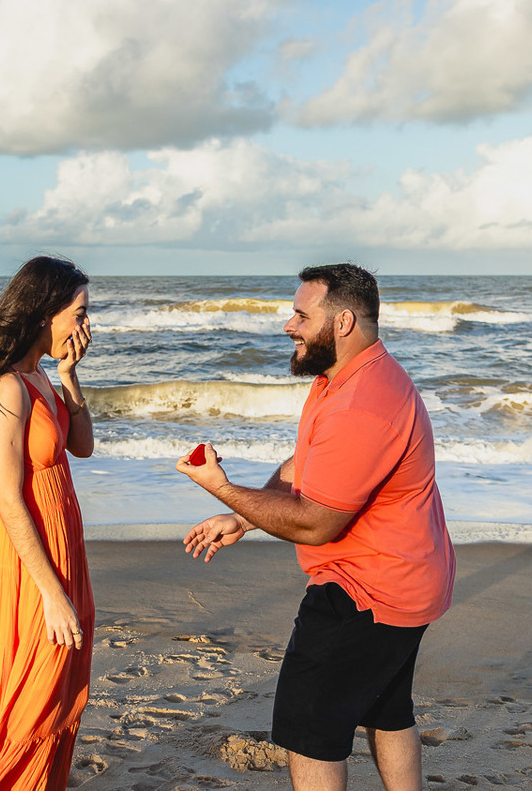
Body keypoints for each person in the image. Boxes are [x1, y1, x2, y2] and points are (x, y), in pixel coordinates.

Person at [176, 263, 455, 791]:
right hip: (405, 576)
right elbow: (309, 464)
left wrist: (221, 487)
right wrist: (244, 516)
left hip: (366, 589)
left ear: (343, 322)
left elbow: (316, 525)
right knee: (386, 709)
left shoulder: (362, 403)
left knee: (308, 732)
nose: (289, 325)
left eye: (302, 316)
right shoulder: (349, 378)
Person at [0, 256, 95, 791]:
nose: (86, 325)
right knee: (33, 688)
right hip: (29, 563)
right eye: (79, 313)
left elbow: (82, 446)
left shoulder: (42, 376)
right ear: (46, 312)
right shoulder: (8, 386)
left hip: (63, 547)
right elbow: (8, 499)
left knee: (59, 684)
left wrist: (70, 377)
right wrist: (51, 593)